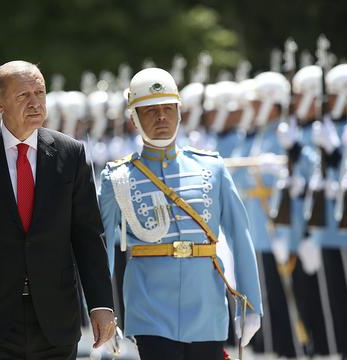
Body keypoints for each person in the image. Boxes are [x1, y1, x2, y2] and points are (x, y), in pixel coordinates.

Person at [0, 60, 116, 359]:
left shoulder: (71, 154)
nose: (35, 103)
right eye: (23, 96)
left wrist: (101, 304)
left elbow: (88, 236)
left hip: (55, 318)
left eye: (40, 93)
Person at [98, 67, 262, 360]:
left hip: (206, 304)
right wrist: (102, 307)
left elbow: (240, 235)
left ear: (180, 112)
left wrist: (250, 305)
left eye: (168, 108)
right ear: (134, 118)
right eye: (150, 110)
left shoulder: (211, 168)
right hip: (149, 305)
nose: (161, 116)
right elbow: (102, 248)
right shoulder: (118, 176)